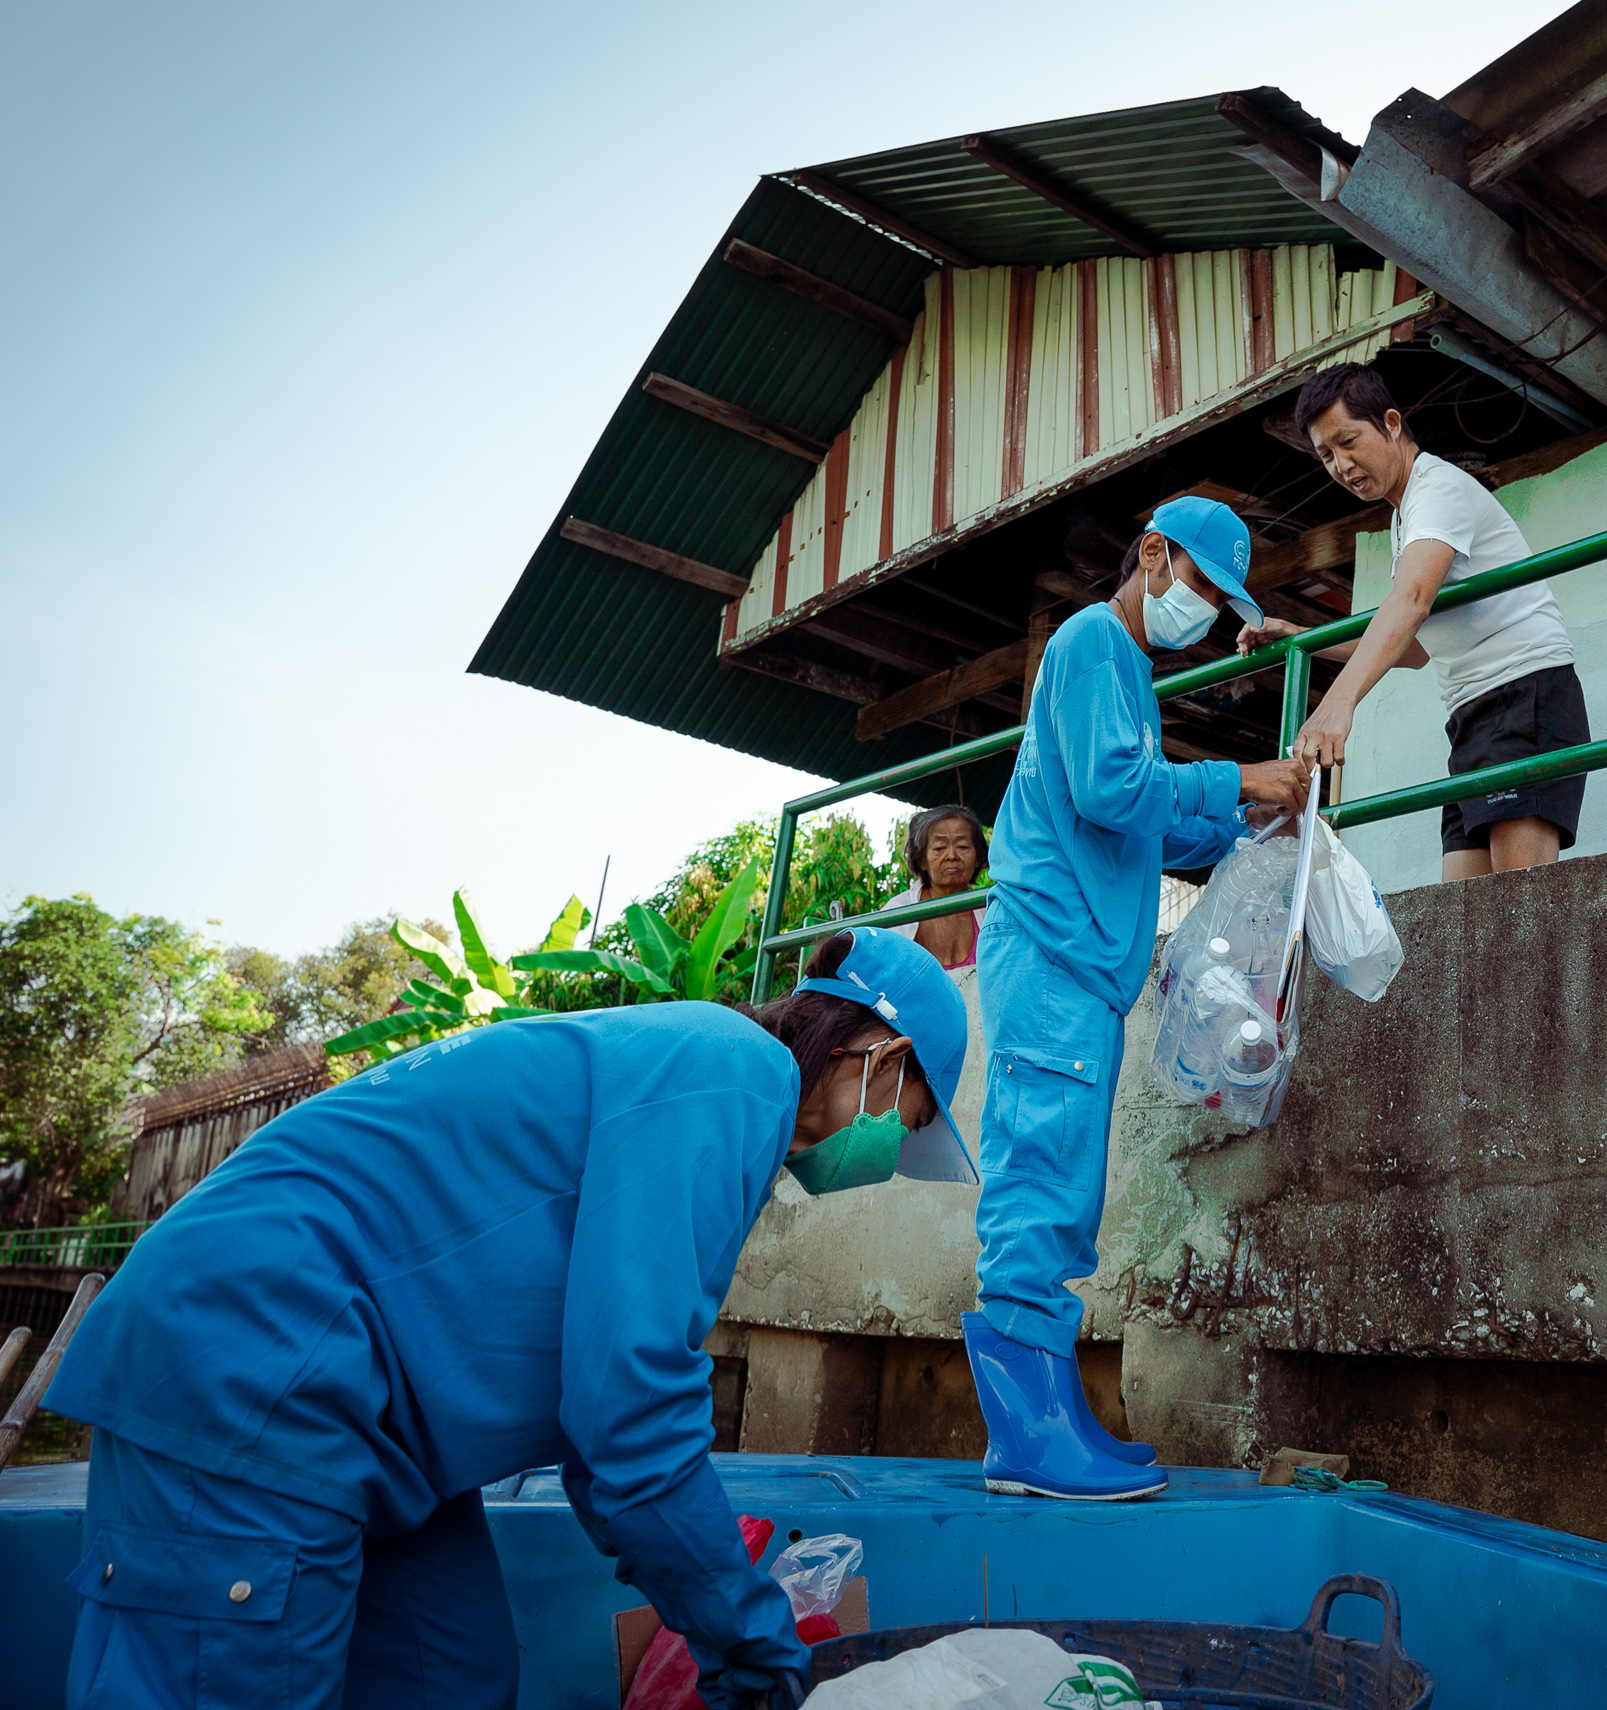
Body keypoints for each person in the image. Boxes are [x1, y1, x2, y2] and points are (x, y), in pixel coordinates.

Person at [45, 927, 972, 1710]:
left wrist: (716, 1613)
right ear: (886, 1063)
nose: (892, 1160)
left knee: (452, 1671)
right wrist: (759, 1645)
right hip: (253, 1362)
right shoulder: (729, 1075)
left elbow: (606, 1443)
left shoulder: (709, 1080)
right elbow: (634, 1420)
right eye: (912, 1125)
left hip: (387, 1437)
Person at [963, 495, 1308, 1503]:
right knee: (1040, 1182)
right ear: (1152, 556)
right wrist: (1239, 775)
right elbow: (1118, 789)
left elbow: (1137, 828)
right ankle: (1027, 1437)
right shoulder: (1091, 646)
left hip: (1077, 971)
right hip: (1054, 959)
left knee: (1063, 1188)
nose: (1205, 610)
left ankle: (1040, 1421)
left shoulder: (1119, 673)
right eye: (1203, 586)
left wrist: (1247, 826)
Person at [1239, 362, 1590, 881]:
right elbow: (1416, 647)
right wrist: (1306, 639)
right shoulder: (1404, 518)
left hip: (1525, 697)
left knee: (1521, 912)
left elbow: (1414, 599)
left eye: (1349, 441)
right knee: (1463, 915)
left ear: (1392, 423)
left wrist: (1338, 703)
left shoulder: (1438, 488)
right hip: (1471, 719)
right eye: (1326, 455)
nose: (1341, 464)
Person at [880, 804, 990, 976]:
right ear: (922, 860)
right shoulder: (898, 911)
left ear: (978, 857)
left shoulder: (990, 910)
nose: (951, 855)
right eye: (940, 848)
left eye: (962, 847)